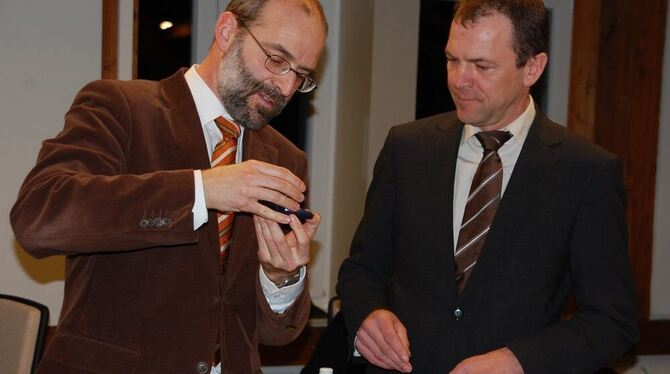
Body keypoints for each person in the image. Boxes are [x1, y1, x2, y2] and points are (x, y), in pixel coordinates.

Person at [10, 0, 327, 372]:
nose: (286, 86)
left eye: (301, 75)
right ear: (227, 32)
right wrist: (201, 189)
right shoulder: (121, 107)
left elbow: (277, 336)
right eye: (276, 59)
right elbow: (38, 218)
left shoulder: (285, 159)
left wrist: (281, 277)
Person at [336, 0, 638, 373]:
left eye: (481, 66)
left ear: (533, 67)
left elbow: (612, 322)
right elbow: (361, 271)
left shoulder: (585, 172)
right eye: (452, 59)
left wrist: (518, 361)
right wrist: (368, 314)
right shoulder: (408, 148)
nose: (459, 80)